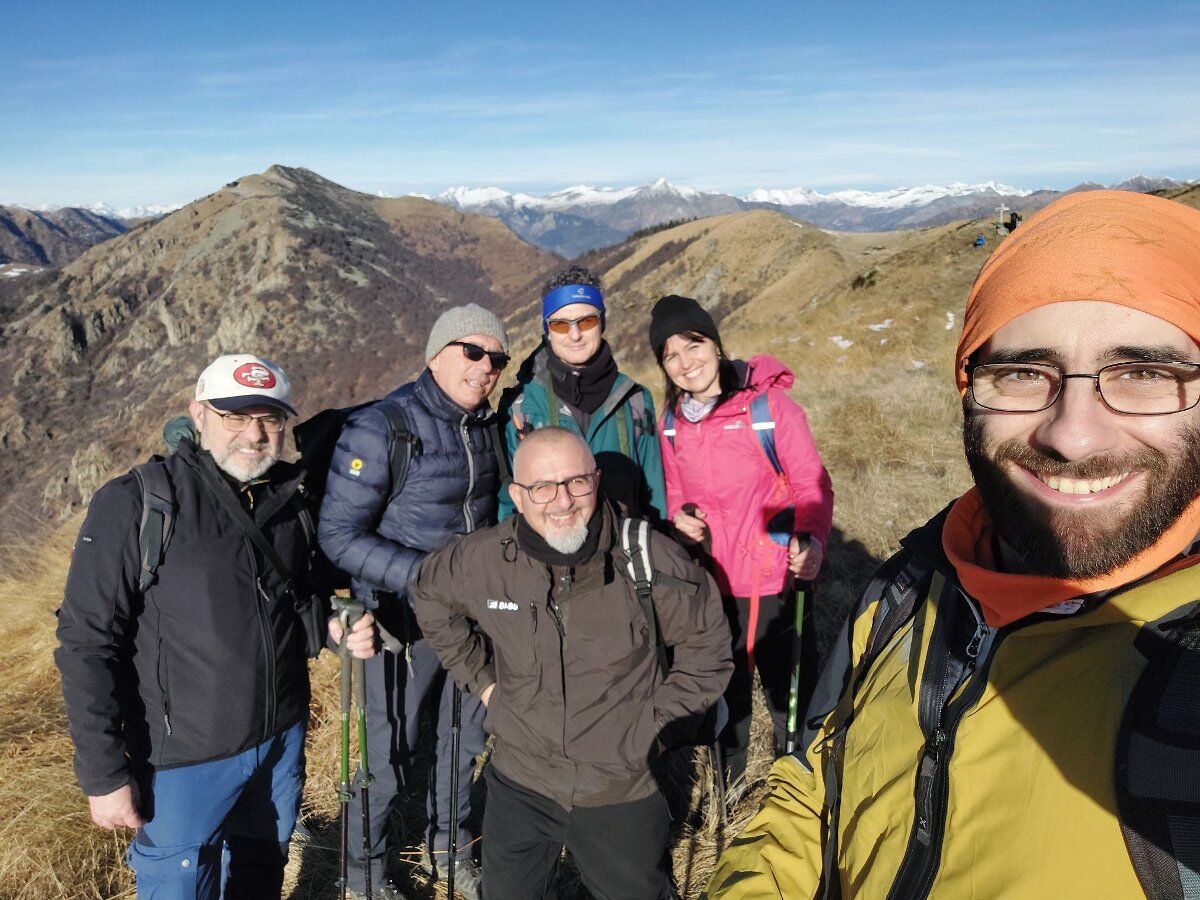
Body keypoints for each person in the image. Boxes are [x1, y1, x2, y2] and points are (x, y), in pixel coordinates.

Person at [706, 190, 1200, 898]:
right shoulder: (911, 585)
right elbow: (816, 772)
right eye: (1025, 372)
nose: (1073, 433)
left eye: (1145, 373)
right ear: (968, 392)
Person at [55, 353, 376, 899]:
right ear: (198, 414)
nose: (254, 434)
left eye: (270, 418)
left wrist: (329, 627)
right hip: (182, 761)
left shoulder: (289, 501)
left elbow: (288, 602)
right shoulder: (139, 503)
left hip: (279, 740)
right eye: (235, 415)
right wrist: (104, 776)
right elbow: (85, 644)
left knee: (258, 875)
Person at [412, 427, 733, 899]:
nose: (561, 501)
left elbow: (708, 648)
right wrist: (483, 685)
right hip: (519, 781)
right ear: (517, 497)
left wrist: (655, 731)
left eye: (576, 482)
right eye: (542, 487)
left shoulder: (648, 558)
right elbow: (428, 593)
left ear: (596, 481)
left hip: (618, 787)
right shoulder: (482, 561)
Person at [318, 303, 510, 900]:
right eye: (472, 352)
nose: (485, 367)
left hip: (474, 620)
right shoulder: (384, 427)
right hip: (401, 622)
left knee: (464, 742)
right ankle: (362, 877)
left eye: (497, 358)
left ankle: (450, 849)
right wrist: (430, 578)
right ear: (436, 353)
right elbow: (339, 535)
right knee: (388, 752)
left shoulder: (487, 426)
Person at [649, 294, 833, 791]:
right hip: (714, 581)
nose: (687, 363)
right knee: (725, 689)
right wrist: (679, 518)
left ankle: (798, 787)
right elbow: (676, 493)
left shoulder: (769, 409)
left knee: (787, 694)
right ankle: (729, 789)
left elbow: (812, 485)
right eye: (671, 355)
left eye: (694, 344)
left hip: (776, 575)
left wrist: (812, 542)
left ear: (714, 343)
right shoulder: (671, 423)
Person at [499, 265, 666, 521]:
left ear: (602, 323)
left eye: (586, 321)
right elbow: (510, 504)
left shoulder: (634, 400)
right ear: (547, 330)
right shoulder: (522, 408)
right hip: (549, 554)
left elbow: (654, 499)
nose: (575, 335)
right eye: (561, 325)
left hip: (623, 553)